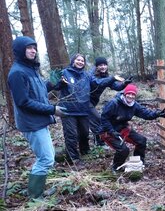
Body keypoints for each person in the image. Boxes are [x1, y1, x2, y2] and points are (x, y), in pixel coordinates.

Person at [7, 36, 67, 198]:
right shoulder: (17, 73)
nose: (33, 50)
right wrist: (52, 109)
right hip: (31, 123)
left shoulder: (30, 69)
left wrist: (55, 84)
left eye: (34, 47)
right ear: (20, 50)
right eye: (29, 48)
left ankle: (37, 191)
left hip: (39, 121)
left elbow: (39, 90)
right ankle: (35, 197)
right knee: (46, 159)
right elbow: (23, 102)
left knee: (47, 157)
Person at [56, 54, 119, 164]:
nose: (80, 62)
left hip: (83, 109)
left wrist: (113, 79)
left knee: (84, 133)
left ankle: (85, 152)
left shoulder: (86, 75)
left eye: (82, 61)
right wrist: (58, 82)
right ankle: (74, 159)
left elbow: (98, 82)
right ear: (73, 61)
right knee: (71, 135)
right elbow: (55, 85)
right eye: (78, 60)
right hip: (68, 109)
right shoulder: (65, 72)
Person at [99, 84, 165, 173]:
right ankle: (116, 168)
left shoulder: (134, 105)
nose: (130, 96)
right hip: (108, 131)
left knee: (141, 141)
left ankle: (137, 164)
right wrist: (111, 131)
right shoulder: (114, 103)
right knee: (123, 150)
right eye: (129, 94)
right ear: (125, 93)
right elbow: (104, 118)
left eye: (133, 94)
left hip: (123, 128)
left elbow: (145, 113)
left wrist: (156, 114)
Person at [88, 57, 129, 147]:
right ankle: (99, 142)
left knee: (91, 121)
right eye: (100, 65)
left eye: (105, 65)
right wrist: (113, 78)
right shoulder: (91, 75)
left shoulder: (105, 76)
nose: (103, 67)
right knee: (98, 119)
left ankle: (97, 141)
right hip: (84, 101)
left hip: (92, 101)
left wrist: (124, 84)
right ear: (96, 67)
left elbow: (115, 87)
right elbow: (98, 83)